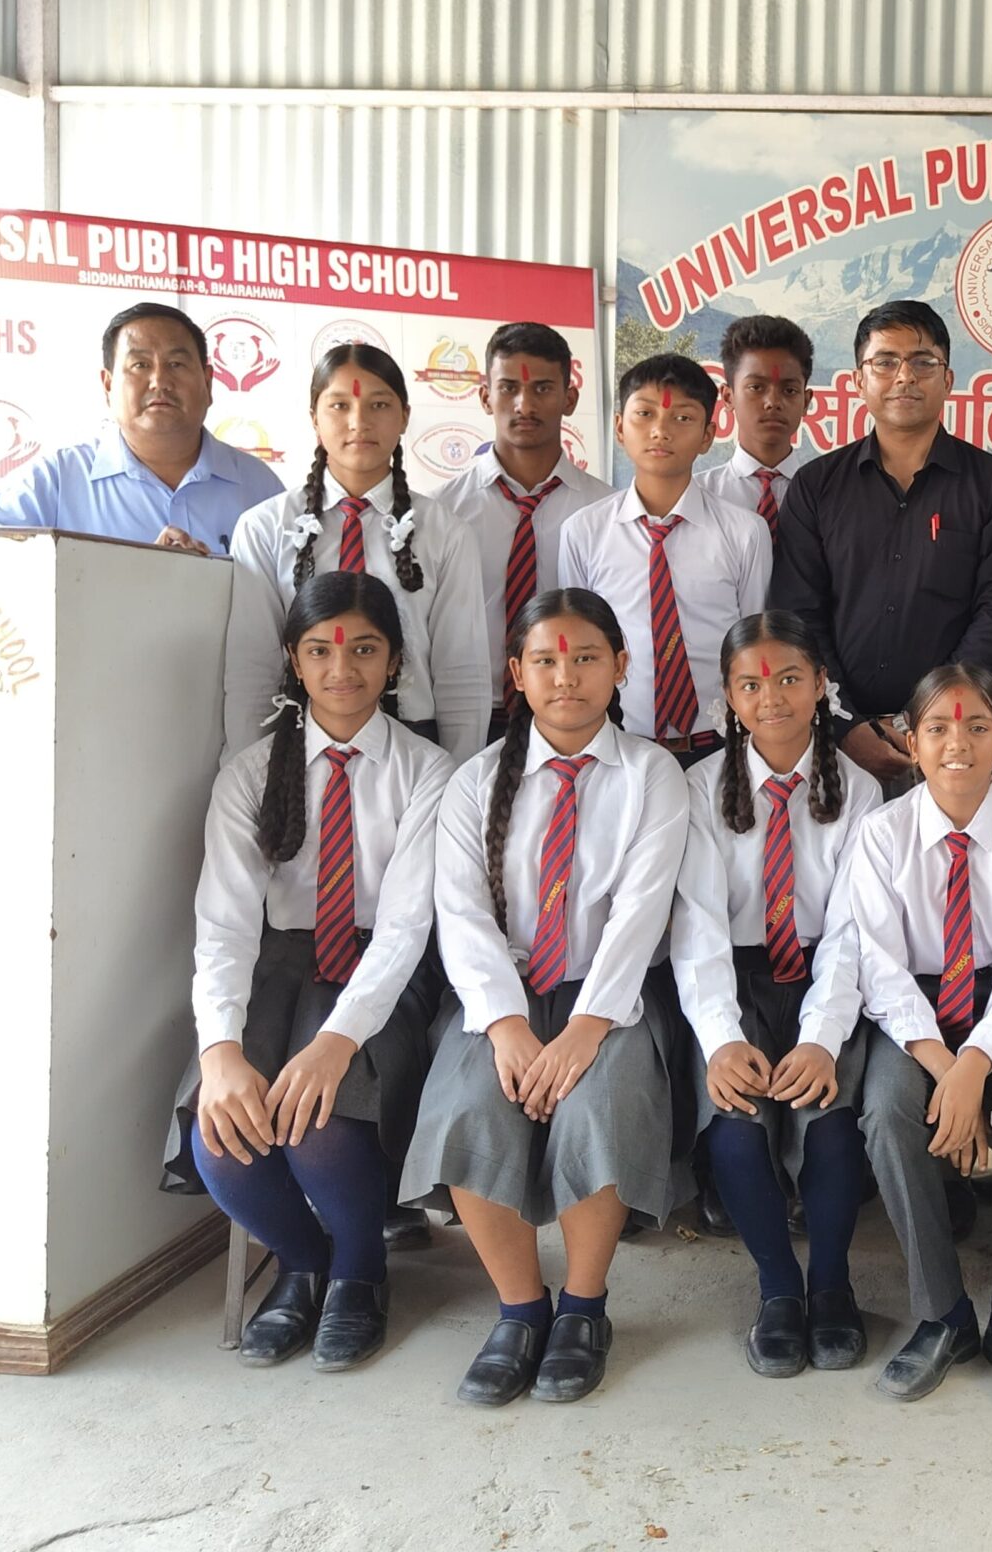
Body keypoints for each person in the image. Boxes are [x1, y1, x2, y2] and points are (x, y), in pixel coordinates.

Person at [398, 590, 690, 1406]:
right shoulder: (474, 782)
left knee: (603, 1106)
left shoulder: (653, 775)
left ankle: (585, 1308)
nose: (567, 677)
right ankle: (521, 1309)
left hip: (611, 994)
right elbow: (460, 914)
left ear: (621, 666)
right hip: (502, 996)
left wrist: (588, 1028)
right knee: (466, 1107)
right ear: (517, 674)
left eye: (587, 657)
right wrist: (505, 1026)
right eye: (546, 660)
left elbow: (641, 912)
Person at [162, 572, 450, 1371]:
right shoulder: (250, 773)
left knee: (320, 1121)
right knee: (223, 1130)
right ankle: (303, 1263)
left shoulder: (428, 771)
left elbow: (405, 928)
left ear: (394, 661)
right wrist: (221, 1049)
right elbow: (224, 925)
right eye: (320, 650)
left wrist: (336, 1042)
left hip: (383, 971)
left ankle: (360, 1269)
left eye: (364, 650)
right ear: (294, 659)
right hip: (281, 965)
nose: (341, 669)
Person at [847, 665, 992, 1409]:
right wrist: (946, 1068)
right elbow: (879, 967)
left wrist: (976, 1063)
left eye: (977, 728)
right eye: (938, 728)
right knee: (886, 1110)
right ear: (910, 742)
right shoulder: (881, 835)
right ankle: (942, 1315)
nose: (957, 744)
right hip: (913, 1012)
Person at [671, 613, 882, 1379]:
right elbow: (696, 925)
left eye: (790, 678)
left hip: (829, 981)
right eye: (751, 684)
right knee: (735, 1128)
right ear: (729, 697)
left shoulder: (861, 790)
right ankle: (779, 1288)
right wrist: (723, 1039)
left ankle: (831, 1283)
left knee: (830, 1128)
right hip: (734, 985)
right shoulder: (700, 788)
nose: (772, 698)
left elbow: (855, 932)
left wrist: (823, 1038)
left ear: (821, 684)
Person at [770, 301, 992, 788]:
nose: (905, 377)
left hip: (952, 744)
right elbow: (799, 614)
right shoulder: (816, 486)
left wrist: (926, 721)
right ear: (858, 380)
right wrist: (846, 724)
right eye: (885, 362)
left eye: (922, 362)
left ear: (948, 379)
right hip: (835, 743)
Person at [223, 344, 488, 760]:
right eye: (339, 405)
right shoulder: (265, 527)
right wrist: (250, 770)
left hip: (414, 748)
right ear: (314, 418)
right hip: (299, 744)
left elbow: (461, 673)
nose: (359, 422)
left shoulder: (446, 533)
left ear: (404, 416)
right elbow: (252, 669)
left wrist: (458, 780)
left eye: (378, 404)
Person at [559, 354, 770, 768]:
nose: (660, 430)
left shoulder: (745, 533)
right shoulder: (583, 532)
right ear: (620, 427)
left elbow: (754, 643)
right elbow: (579, 646)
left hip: (720, 745)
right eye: (644, 414)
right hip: (619, 744)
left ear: (708, 436)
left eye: (683, 418)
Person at [430, 323, 612, 742]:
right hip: (470, 720)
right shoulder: (442, 513)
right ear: (485, 396)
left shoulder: (605, 511)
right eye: (508, 388)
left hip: (576, 717)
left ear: (569, 399)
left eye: (543, 389)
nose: (524, 404)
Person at [0, 301, 281, 555]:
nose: (159, 381)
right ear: (108, 385)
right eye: (140, 365)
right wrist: (133, 573)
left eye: (176, 364)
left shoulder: (261, 489)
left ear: (207, 383)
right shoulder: (55, 483)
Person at [699, 314, 819, 534]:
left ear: (806, 401)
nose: (773, 402)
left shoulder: (827, 496)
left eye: (789, 390)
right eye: (756, 387)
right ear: (728, 397)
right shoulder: (699, 497)